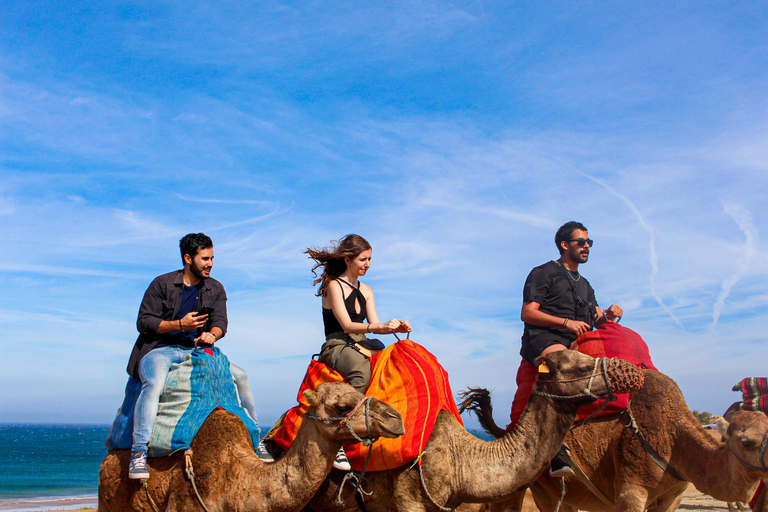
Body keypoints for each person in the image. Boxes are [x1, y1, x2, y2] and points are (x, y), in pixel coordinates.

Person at [125, 233, 261, 479]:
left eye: (212, 258)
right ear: (188, 258)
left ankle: (257, 440)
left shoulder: (216, 288)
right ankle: (138, 452)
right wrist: (179, 325)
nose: (210, 263)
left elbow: (221, 322)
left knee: (241, 376)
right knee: (154, 383)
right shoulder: (161, 283)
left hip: (197, 350)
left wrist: (213, 335)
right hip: (159, 349)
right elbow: (143, 322)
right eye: (205, 258)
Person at [520, 221, 623, 477]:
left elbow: (599, 318)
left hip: (577, 345)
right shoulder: (543, 272)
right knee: (563, 364)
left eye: (589, 242)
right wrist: (566, 323)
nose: (587, 246)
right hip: (543, 341)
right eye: (581, 242)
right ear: (565, 245)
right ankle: (554, 449)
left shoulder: (585, 285)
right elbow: (527, 313)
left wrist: (611, 313)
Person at [305, 234, 412, 469]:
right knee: (361, 373)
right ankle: (340, 438)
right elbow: (347, 326)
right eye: (363, 259)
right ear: (347, 259)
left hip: (362, 341)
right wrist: (380, 326)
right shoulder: (333, 286)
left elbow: (374, 324)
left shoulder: (367, 290)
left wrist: (396, 327)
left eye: (370, 259)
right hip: (337, 344)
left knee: (398, 363)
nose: (367, 264)